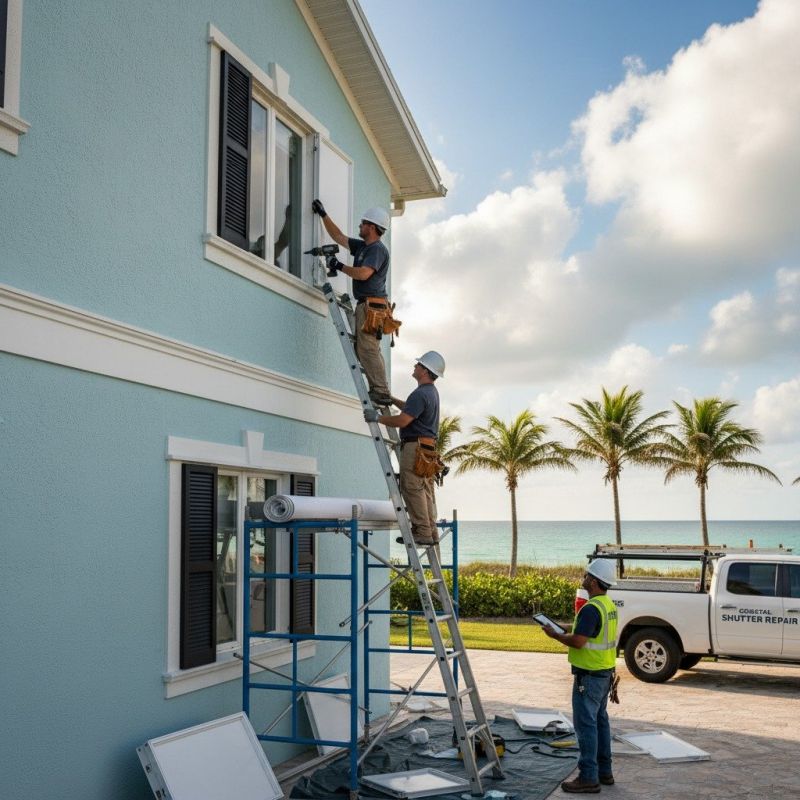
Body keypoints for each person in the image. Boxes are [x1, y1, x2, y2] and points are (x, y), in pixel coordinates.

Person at [542, 559, 619, 794]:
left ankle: (588, 777)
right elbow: (584, 630)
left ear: (594, 582)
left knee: (586, 727)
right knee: (600, 723)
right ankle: (604, 772)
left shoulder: (590, 608)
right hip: (604, 675)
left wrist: (555, 636)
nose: (583, 578)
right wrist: (560, 627)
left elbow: (579, 640)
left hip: (588, 678)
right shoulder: (607, 605)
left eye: (587, 575)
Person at [312, 198, 393, 406]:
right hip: (367, 305)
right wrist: (323, 214)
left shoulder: (376, 250)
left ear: (372, 227)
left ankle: (381, 391)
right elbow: (338, 236)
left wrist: (338, 266)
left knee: (367, 349)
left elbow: (364, 274)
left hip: (372, 306)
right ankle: (380, 388)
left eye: (363, 223)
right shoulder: (364, 247)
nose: (360, 226)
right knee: (365, 348)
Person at [364, 352, 444, 546]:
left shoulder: (420, 393)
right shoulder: (431, 393)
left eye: (418, 365)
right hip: (426, 448)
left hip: (414, 448)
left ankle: (423, 532)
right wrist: (392, 400)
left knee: (412, 488)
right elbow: (410, 409)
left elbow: (403, 420)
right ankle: (430, 532)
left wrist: (378, 418)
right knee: (423, 490)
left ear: (425, 371)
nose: (415, 367)